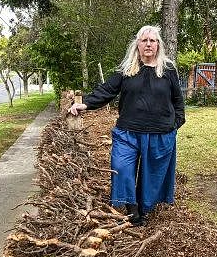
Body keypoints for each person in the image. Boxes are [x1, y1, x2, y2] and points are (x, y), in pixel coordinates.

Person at [68, 25, 185, 226]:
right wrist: (85, 103)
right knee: (121, 167)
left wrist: (175, 124)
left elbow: (178, 100)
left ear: (158, 45)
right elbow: (107, 90)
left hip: (159, 133)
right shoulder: (127, 69)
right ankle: (132, 209)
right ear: (137, 44)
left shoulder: (167, 70)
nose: (148, 44)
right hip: (127, 132)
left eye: (153, 41)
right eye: (144, 40)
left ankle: (144, 207)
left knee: (152, 176)